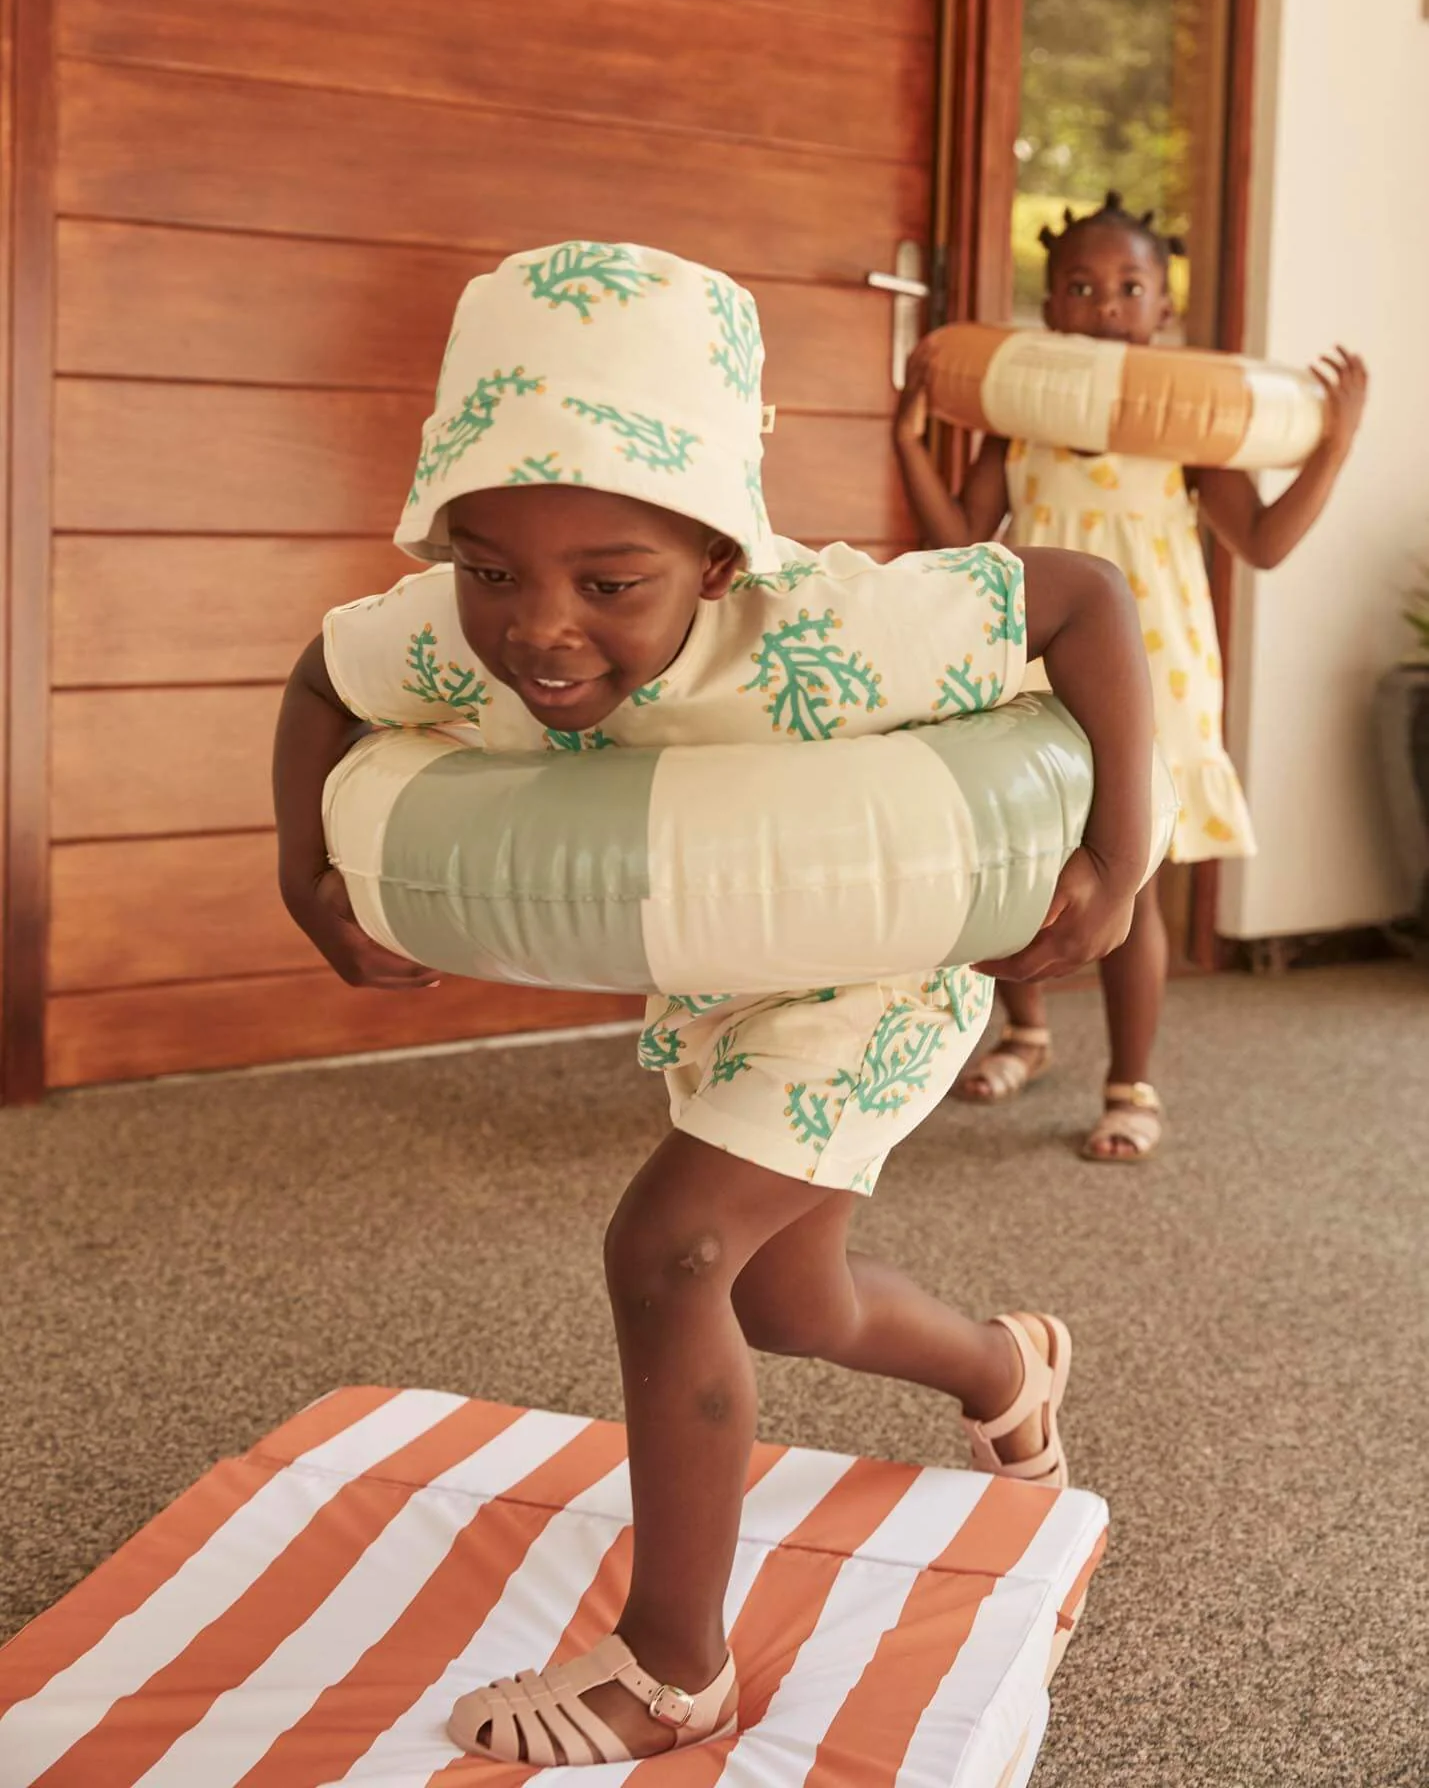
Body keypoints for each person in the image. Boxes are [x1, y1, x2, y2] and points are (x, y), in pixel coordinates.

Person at [273, 241, 1156, 1765]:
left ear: (720, 563)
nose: (537, 628)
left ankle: (675, 1668)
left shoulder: (833, 624)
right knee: (782, 1301)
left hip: (877, 973)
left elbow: (1083, 599)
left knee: (670, 1250)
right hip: (714, 982)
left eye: (608, 584)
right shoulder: (455, 628)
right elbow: (320, 676)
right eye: (491, 569)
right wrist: (306, 868)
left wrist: (1123, 859)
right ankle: (1008, 1366)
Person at [894, 193, 1368, 1160]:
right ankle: (1023, 1032)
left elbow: (1264, 545)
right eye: (1078, 286)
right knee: (1018, 853)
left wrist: (1333, 447)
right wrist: (906, 445)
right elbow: (959, 547)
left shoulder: (1187, 435)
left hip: (1154, 679)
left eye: (1128, 288)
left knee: (1129, 876)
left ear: (1160, 312)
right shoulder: (1017, 430)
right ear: (1047, 310)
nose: (1103, 305)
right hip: (1026, 668)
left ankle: (1129, 1083)